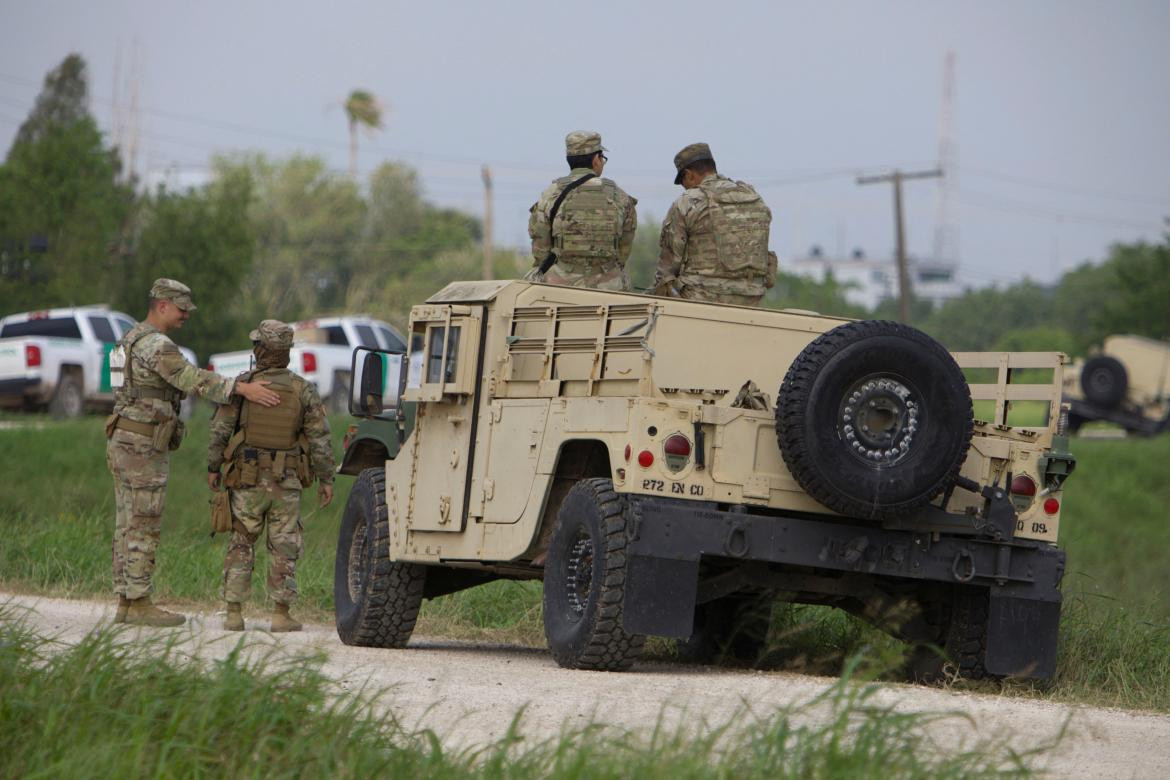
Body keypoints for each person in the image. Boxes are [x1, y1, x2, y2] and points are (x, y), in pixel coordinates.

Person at [107, 278, 281, 627]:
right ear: (162, 305)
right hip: (143, 446)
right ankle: (140, 601)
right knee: (144, 521)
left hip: (123, 438)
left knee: (126, 521)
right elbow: (192, 379)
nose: (186, 315)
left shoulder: (128, 339)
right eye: (182, 308)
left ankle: (126, 600)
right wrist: (241, 388)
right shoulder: (157, 345)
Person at [207, 320, 336, 633]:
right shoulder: (303, 390)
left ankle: (234, 612)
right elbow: (320, 440)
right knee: (284, 546)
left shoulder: (243, 386)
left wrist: (213, 468)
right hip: (287, 482)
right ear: (286, 353)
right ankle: (280, 614)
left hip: (247, 479)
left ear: (260, 350)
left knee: (241, 541)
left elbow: (220, 432)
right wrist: (326, 479)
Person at [653, 142, 778, 306]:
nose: (684, 189)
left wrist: (654, 294)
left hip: (700, 298)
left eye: (683, 182)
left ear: (689, 175)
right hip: (751, 298)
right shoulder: (753, 197)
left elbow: (668, 267)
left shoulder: (688, 201)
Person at [526, 130, 638, 291]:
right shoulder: (619, 196)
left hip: (559, 287)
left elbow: (541, 250)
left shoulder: (550, 195)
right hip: (610, 287)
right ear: (596, 160)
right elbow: (624, 249)